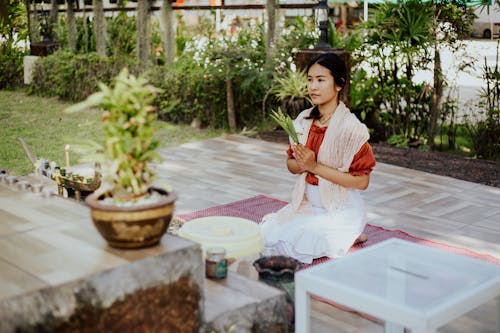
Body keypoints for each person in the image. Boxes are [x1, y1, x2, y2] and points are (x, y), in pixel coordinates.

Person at [260, 52, 376, 264]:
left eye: (321, 80)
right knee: (268, 234)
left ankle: (349, 233)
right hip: (307, 205)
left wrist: (314, 166)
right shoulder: (303, 121)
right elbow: (291, 165)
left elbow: (362, 182)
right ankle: (345, 237)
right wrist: (302, 164)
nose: (313, 87)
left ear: (339, 84)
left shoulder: (351, 129)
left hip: (341, 209)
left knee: (295, 243)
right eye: (310, 79)